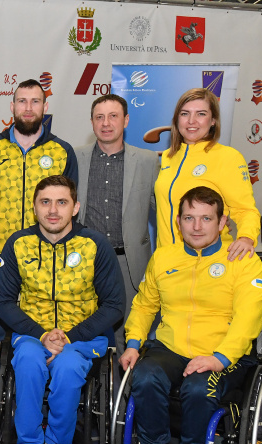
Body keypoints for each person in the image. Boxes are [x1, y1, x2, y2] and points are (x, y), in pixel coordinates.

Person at [120, 186, 262, 444]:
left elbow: (249, 318)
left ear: (222, 222)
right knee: (144, 376)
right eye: (189, 218)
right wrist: (133, 343)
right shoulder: (164, 258)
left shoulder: (243, 261)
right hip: (171, 347)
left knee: (199, 389)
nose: (197, 226)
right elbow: (144, 305)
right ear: (178, 221)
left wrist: (219, 358)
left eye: (206, 218)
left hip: (223, 351)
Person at [0, 175, 124, 444]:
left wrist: (70, 337)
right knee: (27, 361)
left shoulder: (95, 244)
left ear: (75, 207)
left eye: (62, 202)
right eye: (45, 202)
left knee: (67, 366)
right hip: (31, 334)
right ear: (34, 207)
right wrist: (41, 334)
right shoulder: (18, 243)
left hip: (82, 338)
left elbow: (115, 305)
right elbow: (2, 301)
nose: (53, 210)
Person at [0, 78, 78, 362]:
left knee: (43, 326)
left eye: (35, 101)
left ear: (45, 107)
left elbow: (71, 206)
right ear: (12, 106)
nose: (28, 108)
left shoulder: (62, 150)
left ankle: (40, 379)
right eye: (22, 101)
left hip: (48, 253)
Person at [75, 94, 160, 353]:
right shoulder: (74, 157)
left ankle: (125, 381)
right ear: (91, 122)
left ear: (126, 120)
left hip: (128, 264)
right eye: (99, 117)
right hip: (83, 261)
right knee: (82, 332)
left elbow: (165, 211)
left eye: (113, 116)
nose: (106, 123)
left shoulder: (148, 161)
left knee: (128, 335)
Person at [156, 88, 260, 260]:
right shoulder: (168, 157)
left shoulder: (228, 157)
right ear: (177, 119)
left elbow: (245, 209)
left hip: (209, 261)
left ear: (213, 121)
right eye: (185, 113)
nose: (191, 121)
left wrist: (246, 238)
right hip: (167, 260)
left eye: (201, 114)